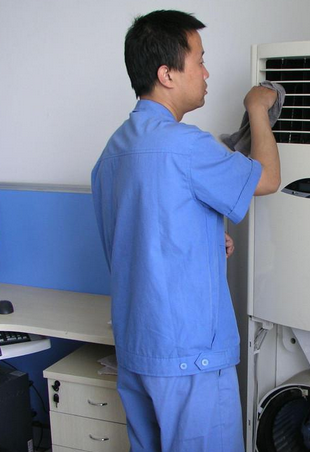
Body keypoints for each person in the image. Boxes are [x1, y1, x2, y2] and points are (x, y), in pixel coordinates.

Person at [90, 9, 280, 452]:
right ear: (167, 74)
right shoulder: (186, 145)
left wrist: (207, 238)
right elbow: (268, 178)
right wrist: (257, 108)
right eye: (200, 60)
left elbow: (143, 237)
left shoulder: (112, 152)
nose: (207, 72)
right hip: (190, 358)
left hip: (138, 351)